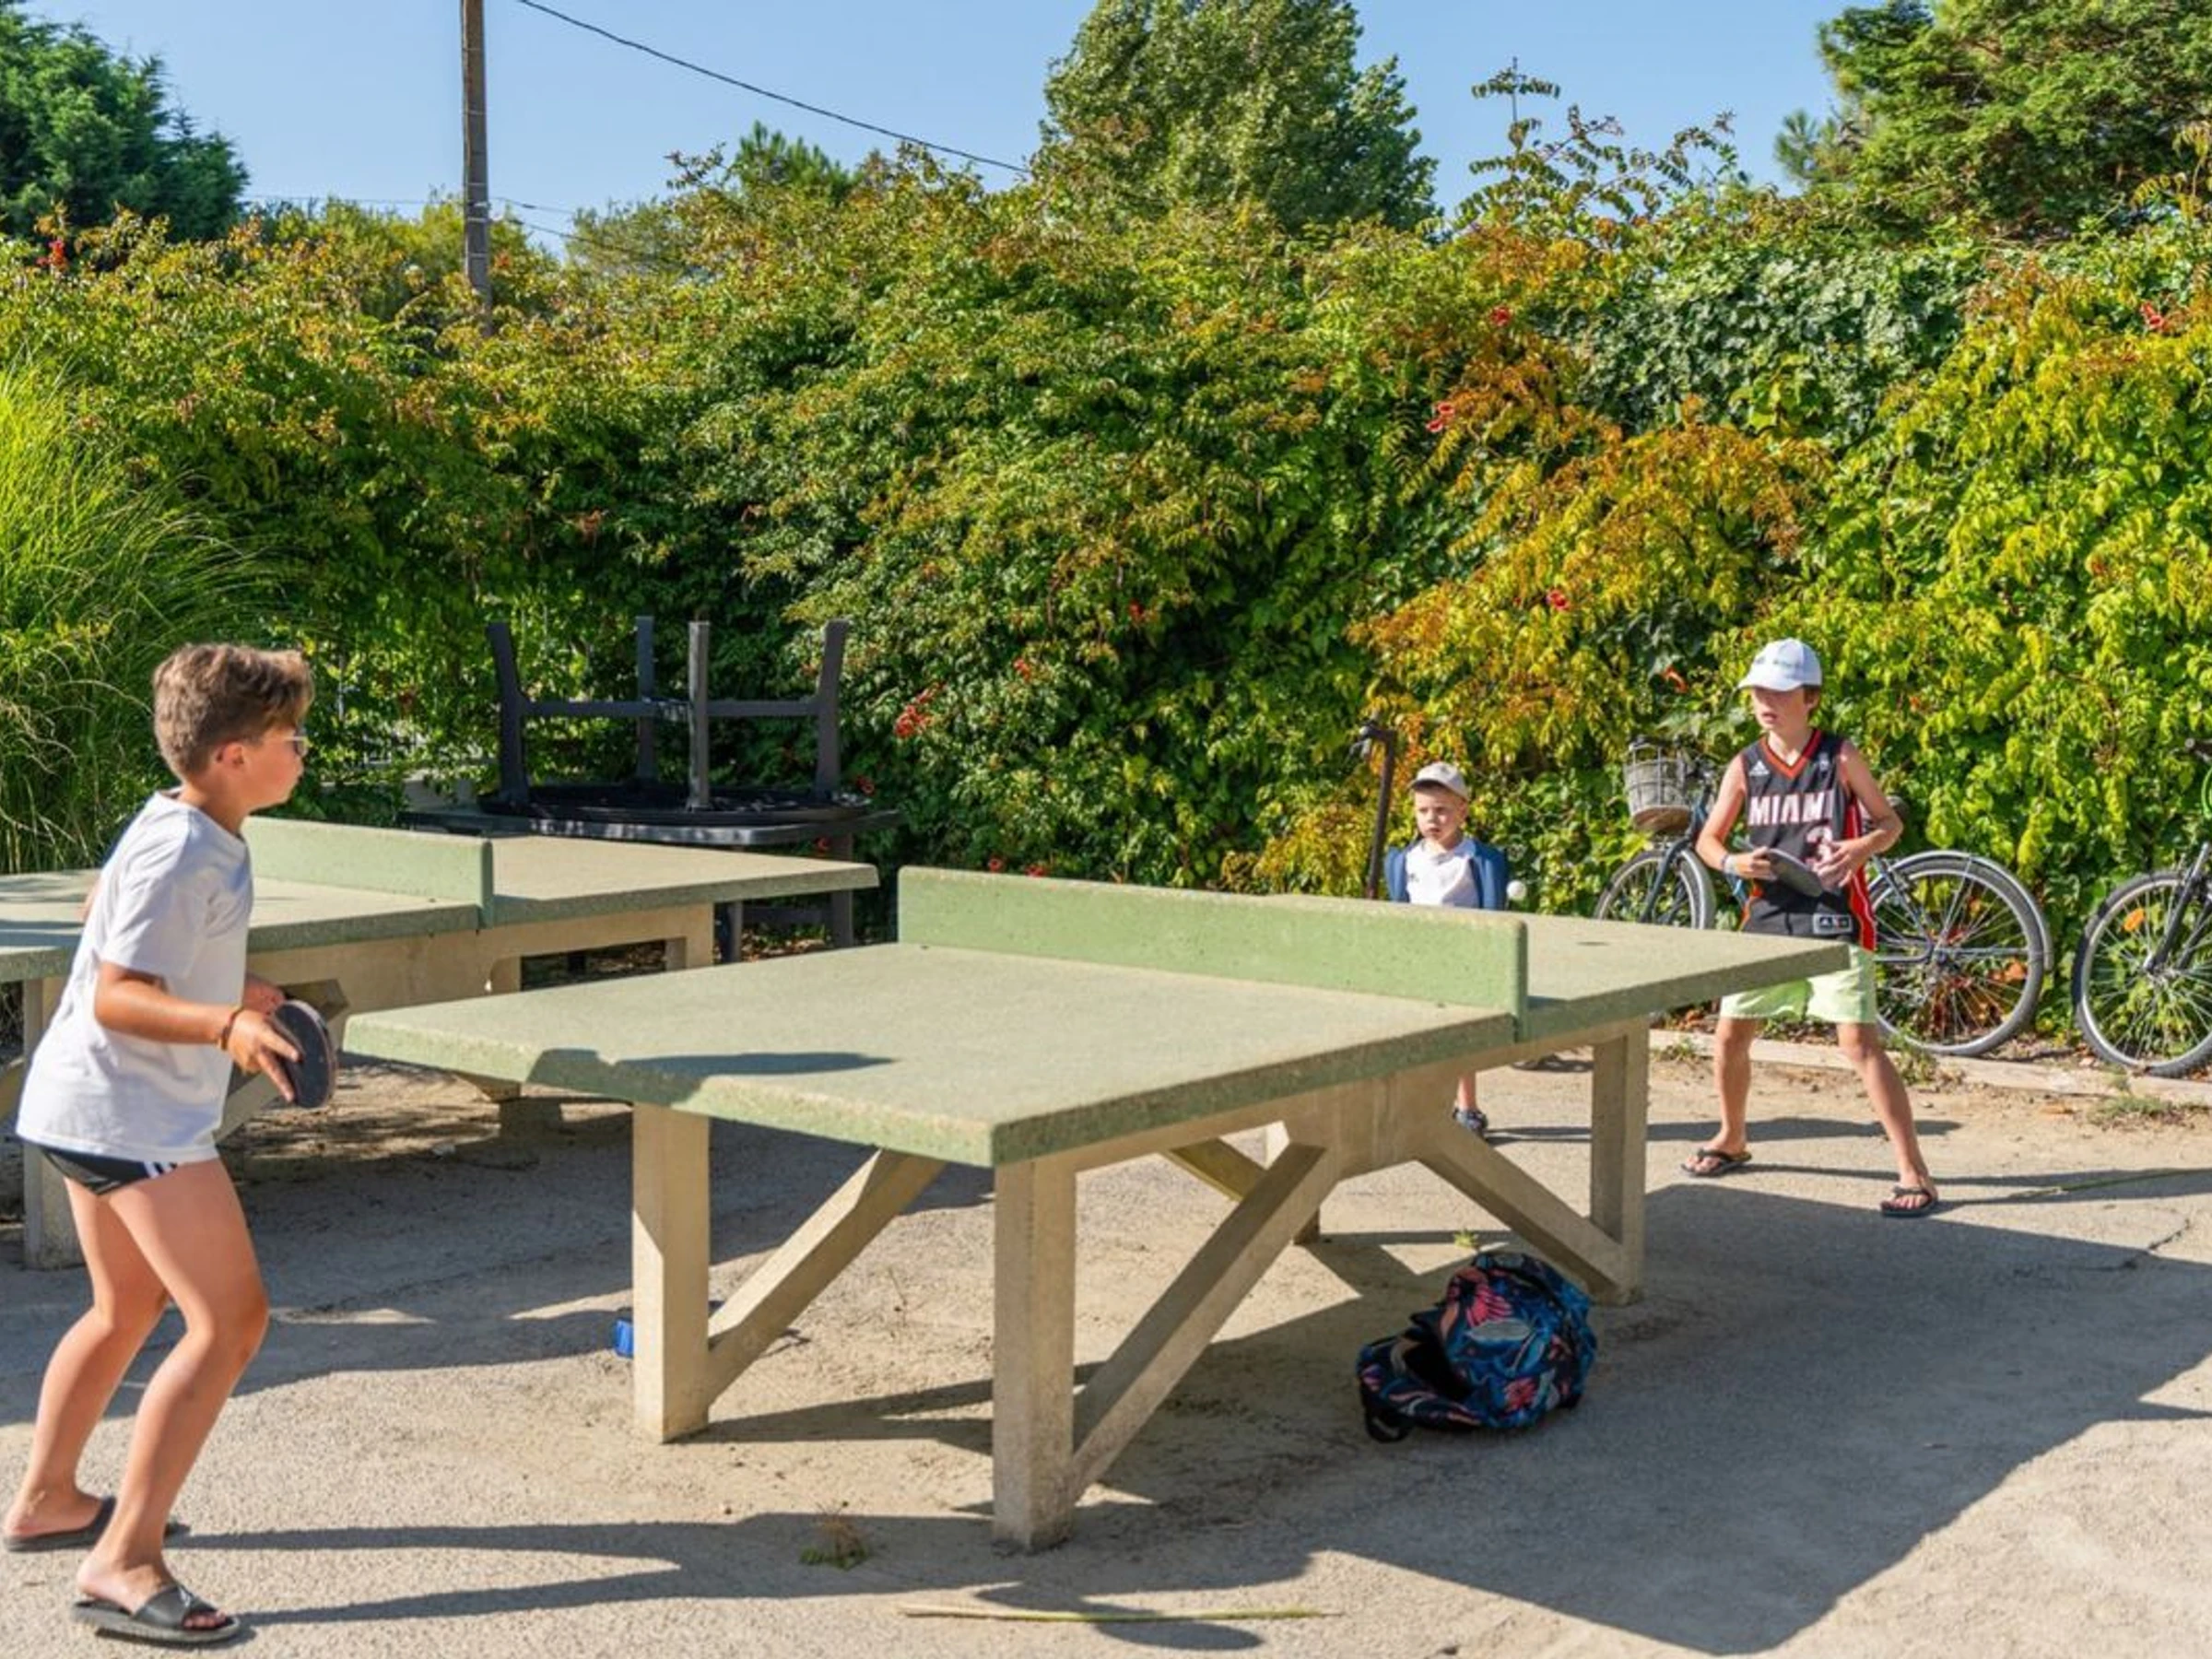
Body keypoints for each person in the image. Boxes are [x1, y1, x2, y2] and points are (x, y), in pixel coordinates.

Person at [3, 643, 315, 1647]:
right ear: (232, 756)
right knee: (230, 1321)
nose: (301, 751)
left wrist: (230, 982)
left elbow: (106, 917)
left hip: (86, 1105)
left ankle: (48, 1499)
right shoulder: (187, 849)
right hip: (129, 1116)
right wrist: (226, 1025)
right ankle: (123, 1561)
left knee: (126, 1305)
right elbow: (116, 992)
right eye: (288, 737)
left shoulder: (179, 820)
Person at [1684, 638, 1939, 1218]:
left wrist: (1861, 848)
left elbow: (1889, 822)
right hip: (1767, 920)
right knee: (1730, 1035)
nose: (1765, 702)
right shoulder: (1745, 765)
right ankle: (1731, 1136)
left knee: (1858, 1044)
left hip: (1835, 919)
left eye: (1778, 692)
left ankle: (1914, 1171)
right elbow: (1708, 840)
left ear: (1810, 697)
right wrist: (1732, 863)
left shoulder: (1839, 756)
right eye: (1758, 692)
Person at [1384, 760, 1511, 1136]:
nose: (1432, 819)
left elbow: (1492, 911)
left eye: (1441, 810)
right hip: (1419, 959)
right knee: (1415, 1035)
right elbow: (1401, 907)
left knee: (1458, 1039)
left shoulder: (1478, 859)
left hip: (1462, 961)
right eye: (1423, 811)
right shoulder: (1405, 859)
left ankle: (1467, 1108)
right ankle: (1422, 1107)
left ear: (1462, 811)